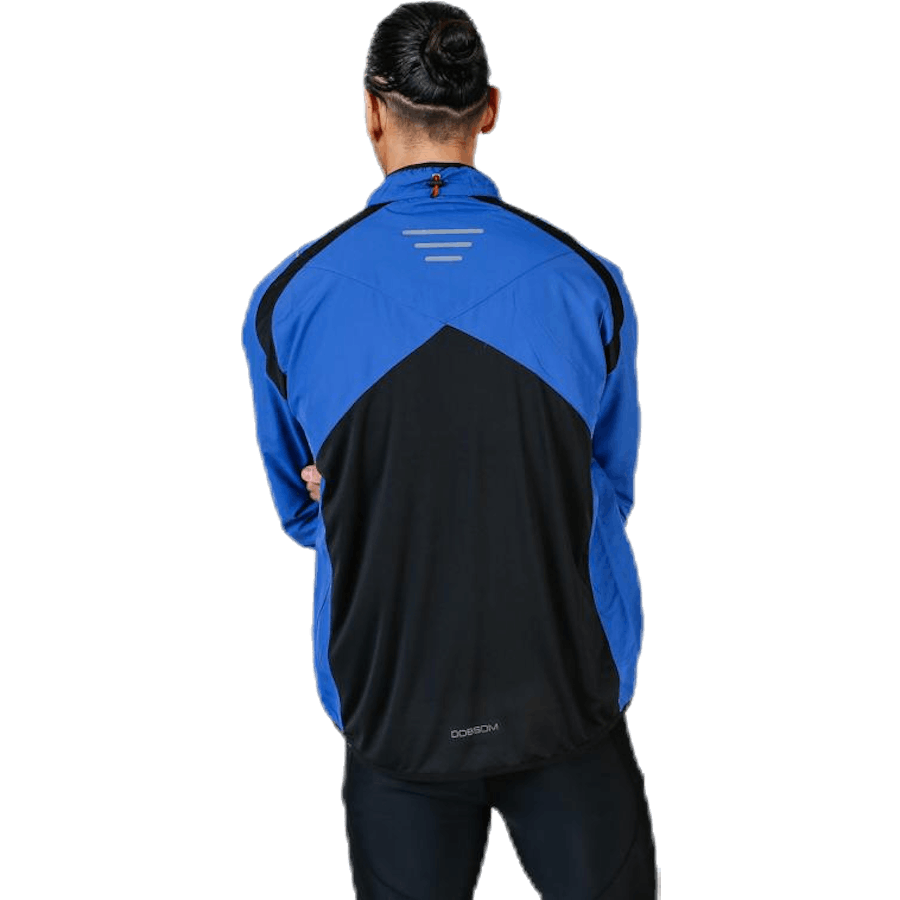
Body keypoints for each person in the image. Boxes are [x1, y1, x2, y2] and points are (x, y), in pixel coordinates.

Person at [240, 2, 659, 897]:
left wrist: (375, 482)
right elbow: (611, 483)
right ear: (491, 109)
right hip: (569, 696)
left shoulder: (288, 296)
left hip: (393, 704)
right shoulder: (587, 279)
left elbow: (302, 510)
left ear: (370, 110)